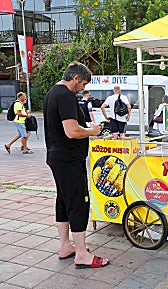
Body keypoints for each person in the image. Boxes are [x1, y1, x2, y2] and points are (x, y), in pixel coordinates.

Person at [43, 61, 108, 269]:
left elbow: (65, 127)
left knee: (64, 200)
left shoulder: (53, 92)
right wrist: (93, 131)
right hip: (69, 159)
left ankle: (65, 246)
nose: (84, 89)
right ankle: (81, 253)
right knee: (79, 202)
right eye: (84, 84)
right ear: (76, 78)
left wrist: (85, 128)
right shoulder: (66, 96)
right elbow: (71, 131)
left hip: (57, 157)